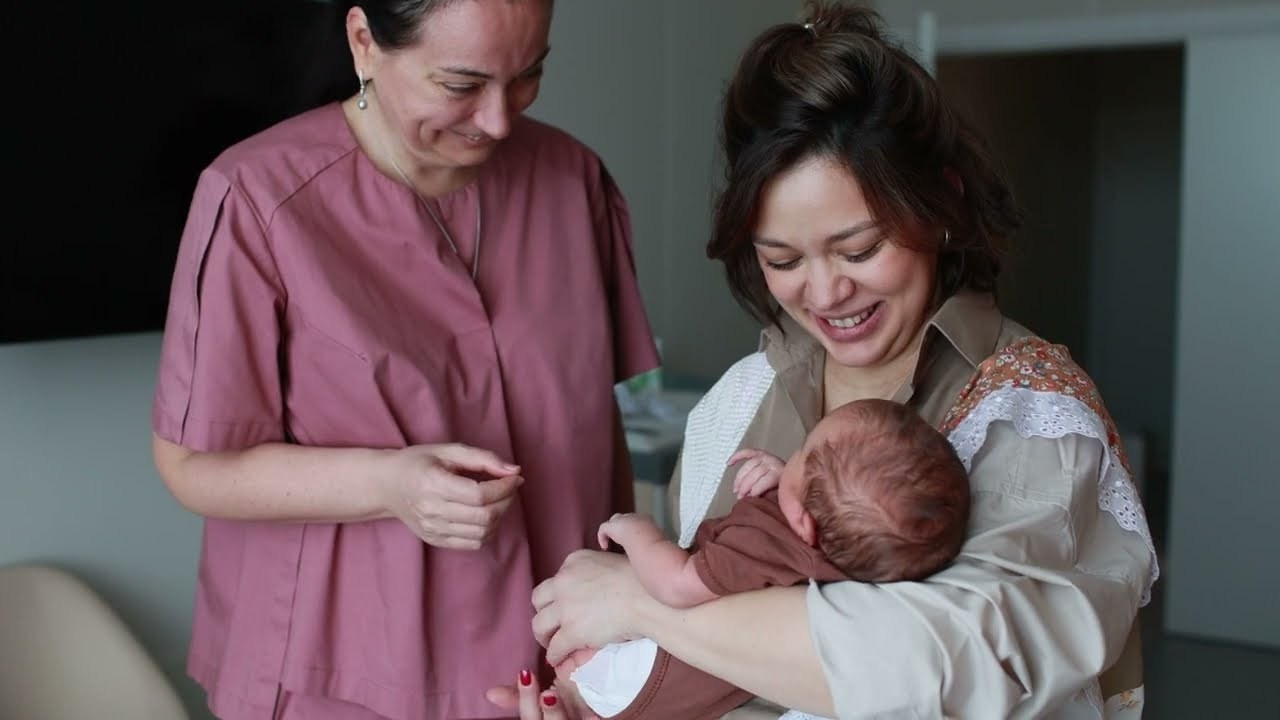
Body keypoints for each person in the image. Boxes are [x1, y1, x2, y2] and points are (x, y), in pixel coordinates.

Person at [507, 2, 1159, 718]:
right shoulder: (741, 397)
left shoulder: (1032, 410)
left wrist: (643, 601)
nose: (824, 292)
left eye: (859, 249)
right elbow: (717, 669)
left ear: (941, 199)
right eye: (782, 258)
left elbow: (949, 663)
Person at [149, 1, 659, 718]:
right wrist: (389, 482)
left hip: (561, 665)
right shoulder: (258, 200)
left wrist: (621, 629)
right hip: (346, 673)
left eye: (528, 76)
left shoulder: (571, 180)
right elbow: (192, 465)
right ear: (364, 41)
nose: (499, 120)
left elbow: (596, 438)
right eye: (460, 85)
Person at [564, 398, 970, 720]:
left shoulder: (765, 539)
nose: (793, 452)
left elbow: (677, 584)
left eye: (803, 451)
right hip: (700, 689)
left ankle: (576, 679)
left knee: (574, 667)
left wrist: (637, 532)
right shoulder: (850, 559)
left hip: (645, 680)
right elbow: (822, 513)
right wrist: (794, 482)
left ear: (802, 521)